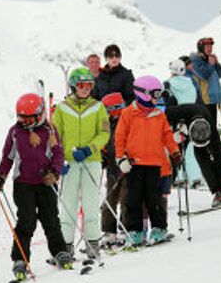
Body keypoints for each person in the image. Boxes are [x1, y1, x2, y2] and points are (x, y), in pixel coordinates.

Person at [0, 93, 72, 278]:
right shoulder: (15, 132)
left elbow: (58, 154)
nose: (26, 122)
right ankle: (20, 259)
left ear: (39, 114)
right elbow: (8, 157)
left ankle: (59, 252)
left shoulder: (50, 131)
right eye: (22, 117)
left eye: (30, 118)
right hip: (23, 184)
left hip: (46, 182)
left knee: (51, 219)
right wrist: (1, 176)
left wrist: (54, 172)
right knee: (26, 221)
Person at [114, 75, 181, 247]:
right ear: (143, 93)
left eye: (159, 95)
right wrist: (120, 158)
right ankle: (135, 230)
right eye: (155, 94)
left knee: (154, 199)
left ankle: (159, 227)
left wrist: (174, 151)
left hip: (154, 164)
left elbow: (167, 135)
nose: (157, 98)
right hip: (134, 164)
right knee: (133, 199)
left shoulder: (158, 114)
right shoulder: (128, 113)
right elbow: (120, 137)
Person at [53, 67, 110, 260]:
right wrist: (58, 160)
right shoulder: (62, 108)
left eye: (89, 85)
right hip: (69, 162)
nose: (86, 89)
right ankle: (65, 247)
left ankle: (93, 243)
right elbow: (55, 136)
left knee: (90, 204)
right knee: (67, 205)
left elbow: (104, 134)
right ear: (73, 86)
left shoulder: (98, 107)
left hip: (91, 161)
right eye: (81, 85)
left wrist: (89, 149)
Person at [164, 102, 221, 207]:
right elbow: (158, 120)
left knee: (203, 156)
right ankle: (162, 192)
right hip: (180, 130)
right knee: (174, 158)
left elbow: (218, 156)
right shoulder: (175, 112)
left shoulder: (210, 126)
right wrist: (173, 136)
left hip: (198, 128)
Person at [165, 58, 204, 188]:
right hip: (192, 117)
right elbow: (198, 100)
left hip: (177, 119)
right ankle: (195, 177)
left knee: (177, 148)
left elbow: (168, 103)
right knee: (190, 148)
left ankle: (179, 177)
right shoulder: (190, 83)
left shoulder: (168, 84)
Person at [99, 92, 128, 247]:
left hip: (127, 169)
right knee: (109, 200)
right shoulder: (107, 124)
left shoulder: (127, 122)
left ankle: (126, 229)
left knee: (126, 200)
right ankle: (109, 231)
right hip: (112, 169)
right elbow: (106, 145)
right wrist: (102, 158)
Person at [190, 37, 221, 132]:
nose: (210, 49)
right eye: (207, 47)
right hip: (204, 101)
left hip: (213, 100)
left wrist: (216, 63)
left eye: (211, 46)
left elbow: (220, 74)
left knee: (212, 128)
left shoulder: (209, 59)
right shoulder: (195, 60)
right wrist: (211, 64)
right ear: (201, 48)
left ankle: (212, 146)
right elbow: (203, 75)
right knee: (205, 129)